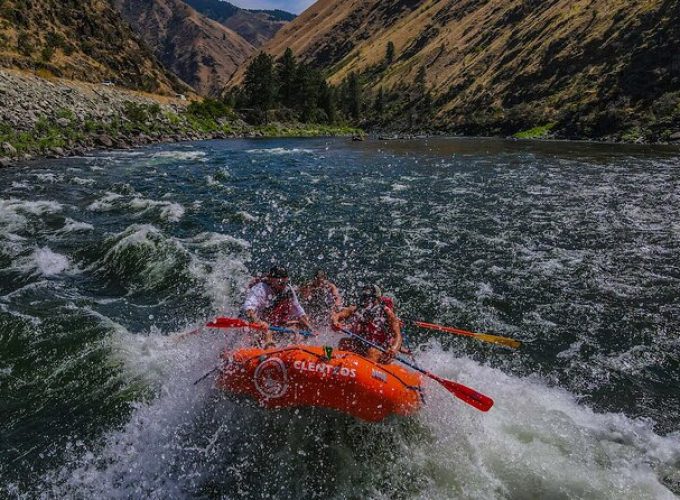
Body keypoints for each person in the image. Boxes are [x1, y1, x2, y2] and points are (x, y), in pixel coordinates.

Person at [242, 266, 312, 348]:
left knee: (296, 327)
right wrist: (259, 322)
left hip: (273, 325)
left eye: (286, 283)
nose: (284, 286)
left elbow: (299, 312)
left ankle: (296, 351)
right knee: (267, 332)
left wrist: (309, 327)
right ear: (271, 280)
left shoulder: (287, 289)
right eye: (281, 283)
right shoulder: (260, 289)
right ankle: (268, 350)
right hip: (255, 325)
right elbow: (248, 309)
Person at [331, 285, 402, 364]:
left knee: (372, 351)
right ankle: (342, 365)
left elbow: (398, 336)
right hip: (362, 344)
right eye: (365, 297)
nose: (366, 301)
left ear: (377, 299)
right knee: (344, 342)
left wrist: (393, 349)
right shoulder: (358, 308)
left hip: (381, 349)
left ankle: (365, 370)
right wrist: (335, 321)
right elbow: (338, 315)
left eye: (369, 298)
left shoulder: (387, 314)